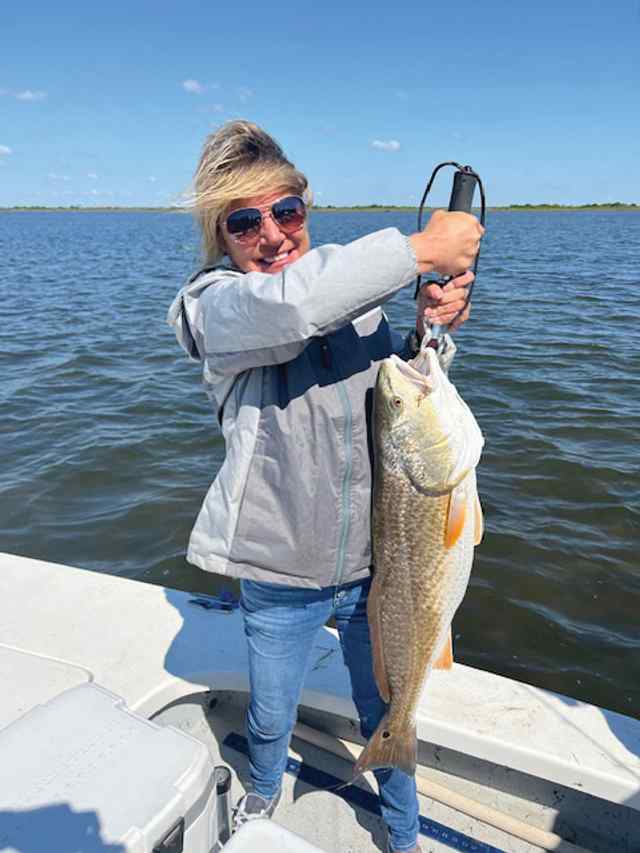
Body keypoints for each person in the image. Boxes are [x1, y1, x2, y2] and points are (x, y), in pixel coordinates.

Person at [168, 120, 483, 853]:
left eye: (288, 211)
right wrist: (416, 251)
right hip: (279, 573)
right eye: (245, 221)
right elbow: (292, 307)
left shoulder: (355, 303)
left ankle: (404, 832)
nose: (273, 234)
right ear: (221, 236)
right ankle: (265, 789)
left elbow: (409, 396)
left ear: (306, 208)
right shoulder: (213, 308)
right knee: (272, 708)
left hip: (380, 569)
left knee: (392, 702)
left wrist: (436, 327)